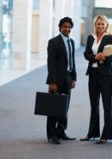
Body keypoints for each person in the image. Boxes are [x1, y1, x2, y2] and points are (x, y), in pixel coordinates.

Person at [80, 14, 112, 144]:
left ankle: (106, 134)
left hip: (105, 75)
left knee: (106, 104)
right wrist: (94, 57)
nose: (100, 26)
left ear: (106, 25)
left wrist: (105, 58)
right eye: (98, 24)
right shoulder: (91, 38)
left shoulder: (110, 37)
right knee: (94, 104)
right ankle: (92, 133)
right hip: (93, 73)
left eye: (103, 24)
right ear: (95, 25)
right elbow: (86, 54)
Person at [46, 17, 77, 145]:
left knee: (65, 106)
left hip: (68, 77)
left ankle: (61, 131)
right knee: (54, 107)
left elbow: (72, 60)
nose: (67, 29)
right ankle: (51, 134)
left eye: (69, 27)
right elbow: (51, 63)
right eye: (64, 26)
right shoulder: (53, 42)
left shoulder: (72, 42)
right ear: (60, 28)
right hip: (57, 79)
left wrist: (73, 77)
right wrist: (52, 82)